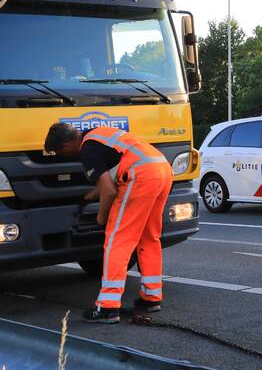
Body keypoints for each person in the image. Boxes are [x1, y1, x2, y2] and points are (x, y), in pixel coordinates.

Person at [44, 121, 172, 324]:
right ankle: (151, 298)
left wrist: (101, 217)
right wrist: (88, 198)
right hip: (162, 169)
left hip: (141, 176)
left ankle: (108, 307)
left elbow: (109, 191)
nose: (64, 156)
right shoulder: (99, 135)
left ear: (67, 144)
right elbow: (112, 176)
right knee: (149, 236)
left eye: (60, 153)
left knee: (117, 240)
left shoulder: (87, 149)